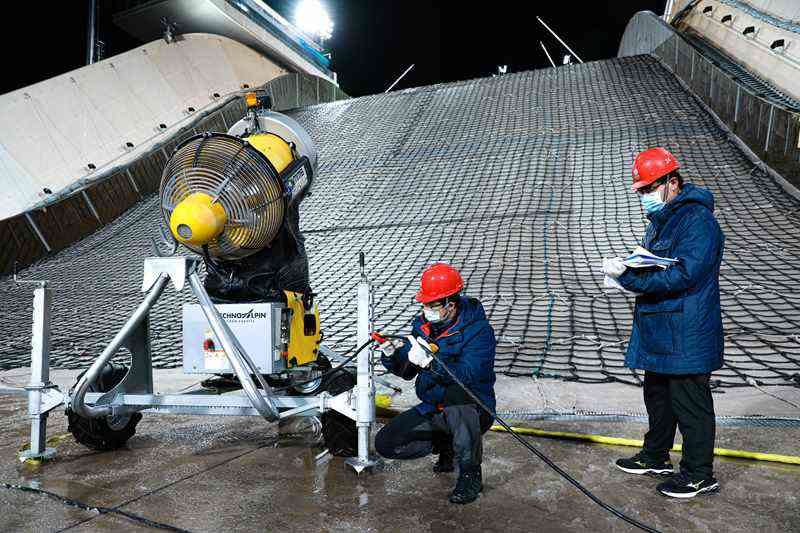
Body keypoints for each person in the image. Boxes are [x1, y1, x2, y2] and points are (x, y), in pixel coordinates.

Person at [603, 147, 725, 499]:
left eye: (648, 188)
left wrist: (630, 279)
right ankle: (656, 455)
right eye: (640, 191)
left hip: (686, 330)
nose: (644, 196)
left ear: (672, 182)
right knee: (658, 397)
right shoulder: (661, 222)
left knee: (690, 403)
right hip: (661, 328)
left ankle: (699, 474)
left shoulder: (698, 221)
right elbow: (655, 265)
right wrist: (630, 268)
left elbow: (685, 273)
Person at [375, 263, 497, 504]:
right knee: (387, 443)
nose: (426, 310)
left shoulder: (480, 332)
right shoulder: (422, 327)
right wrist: (393, 355)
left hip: (472, 408)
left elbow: (466, 376)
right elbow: (408, 372)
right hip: (435, 406)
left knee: (456, 395)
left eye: (432, 305)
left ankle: (471, 474)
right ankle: (448, 447)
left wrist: (431, 364)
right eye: (424, 304)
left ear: (450, 304)